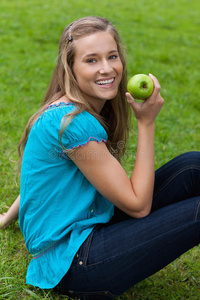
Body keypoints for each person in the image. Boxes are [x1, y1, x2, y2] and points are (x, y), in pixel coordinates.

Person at [0, 16, 199, 300]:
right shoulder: (74, 122)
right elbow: (138, 206)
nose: (107, 68)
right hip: (76, 265)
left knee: (192, 165)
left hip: (87, 226)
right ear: (70, 69)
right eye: (91, 60)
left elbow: (40, 180)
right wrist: (146, 124)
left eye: (112, 56)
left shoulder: (66, 108)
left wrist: (7, 217)